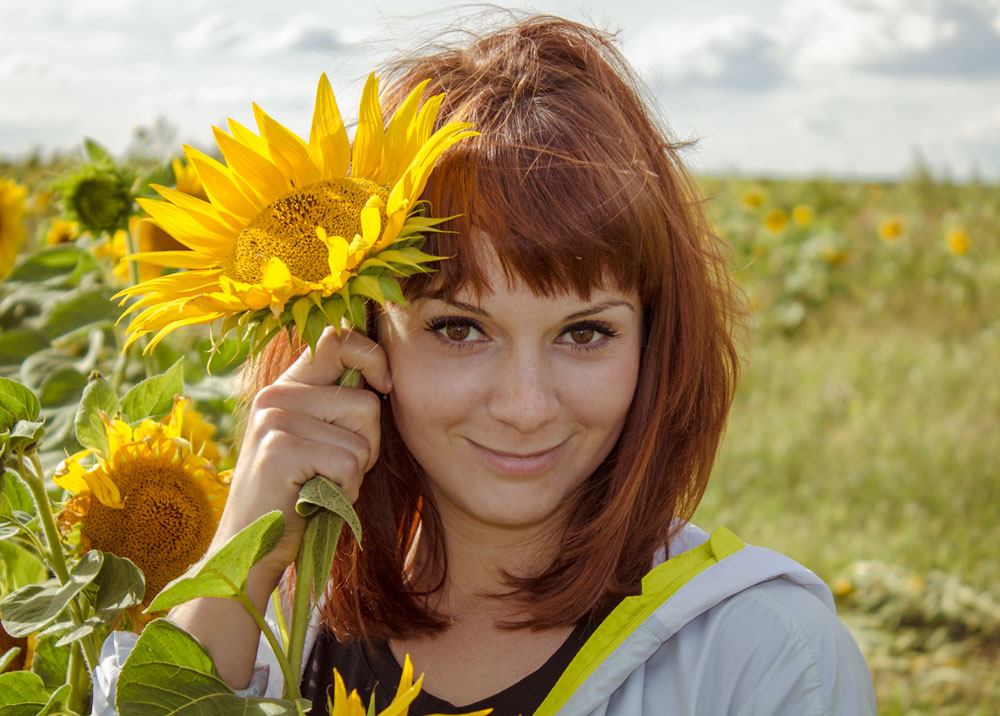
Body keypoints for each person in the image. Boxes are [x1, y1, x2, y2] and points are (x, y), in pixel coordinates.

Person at [95, 13, 877, 716]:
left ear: (655, 341)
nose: (526, 405)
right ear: (360, 341)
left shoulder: (762, 658)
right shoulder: (272, 627)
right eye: (460, 328)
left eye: (584, 333)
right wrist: (243, 555)